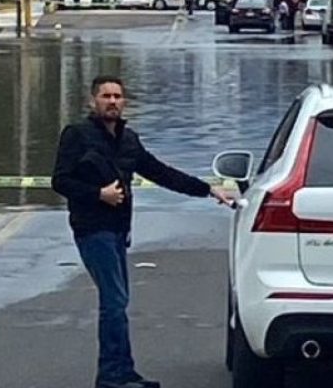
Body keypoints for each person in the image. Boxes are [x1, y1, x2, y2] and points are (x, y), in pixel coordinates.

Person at [52, 76, 233, 388]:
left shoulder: (128, 140)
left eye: (117, 96)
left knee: (118, 302)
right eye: (105, 96)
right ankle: (111, 376)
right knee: (114, 301)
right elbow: (61, 181)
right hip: (91, 227)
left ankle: (123, 372)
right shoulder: (77, 135)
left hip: (118, 229)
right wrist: (98, 193)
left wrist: (207, 190)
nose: (112, 101)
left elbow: (161, 173)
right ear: (93, 101)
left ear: (124, 102)